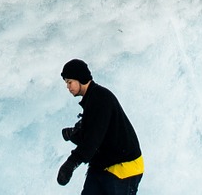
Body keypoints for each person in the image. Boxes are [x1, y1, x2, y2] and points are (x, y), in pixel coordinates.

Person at [56, 59, 144, 194]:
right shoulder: (91, 100)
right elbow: (94, 132)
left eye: (70, 82)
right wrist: (75, 134)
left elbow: (93, 140)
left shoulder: (100, 98)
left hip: (124, 167)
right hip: (102, 165)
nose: (68, 87)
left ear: (81, 79)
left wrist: (70, 164)